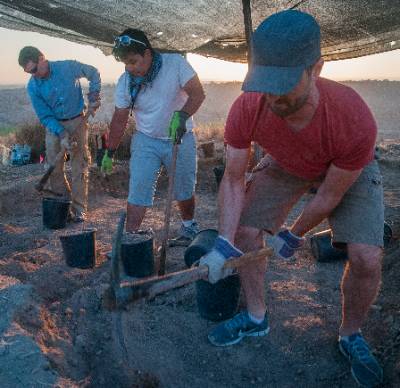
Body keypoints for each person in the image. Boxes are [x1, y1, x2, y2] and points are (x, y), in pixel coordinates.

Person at [199, 10, 384, 387]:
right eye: (265, 82)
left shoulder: (353, 119)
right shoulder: (248, 108)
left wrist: (294, 233)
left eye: (283, 83)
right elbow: (234, 180)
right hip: (286, 162)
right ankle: (255, 317)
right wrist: (222, 243)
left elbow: (331, 192)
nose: (273, 95)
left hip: (347, 169)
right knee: (246, 235)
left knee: (367, 257)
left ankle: (350, 335)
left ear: (315, 68)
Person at [102, 29, 205, 245]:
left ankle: (188, 227)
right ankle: (129, 238)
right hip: (146, 139)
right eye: (126, 63)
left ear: (147, 54)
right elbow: (120, 118)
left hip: (180, 137)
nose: (130, 68)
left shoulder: (175, 64)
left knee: (184, 187)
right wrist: (109, 152)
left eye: (134, 61)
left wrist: (183, 115)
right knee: (139, 187)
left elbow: (197, 93)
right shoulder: (125, 82)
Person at [18, 46, 101, 222]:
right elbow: (45, 115)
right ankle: (63, 204)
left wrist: (93, 97)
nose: (33, 74)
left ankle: (79, 209)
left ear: (42, 58)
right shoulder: (33, 86)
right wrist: (62, 134)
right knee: (55, 168)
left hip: (78, 121)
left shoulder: (68, 67)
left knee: (79, 166)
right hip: (54, 126)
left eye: (34, 69)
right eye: (29, 72)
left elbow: (93, 72)